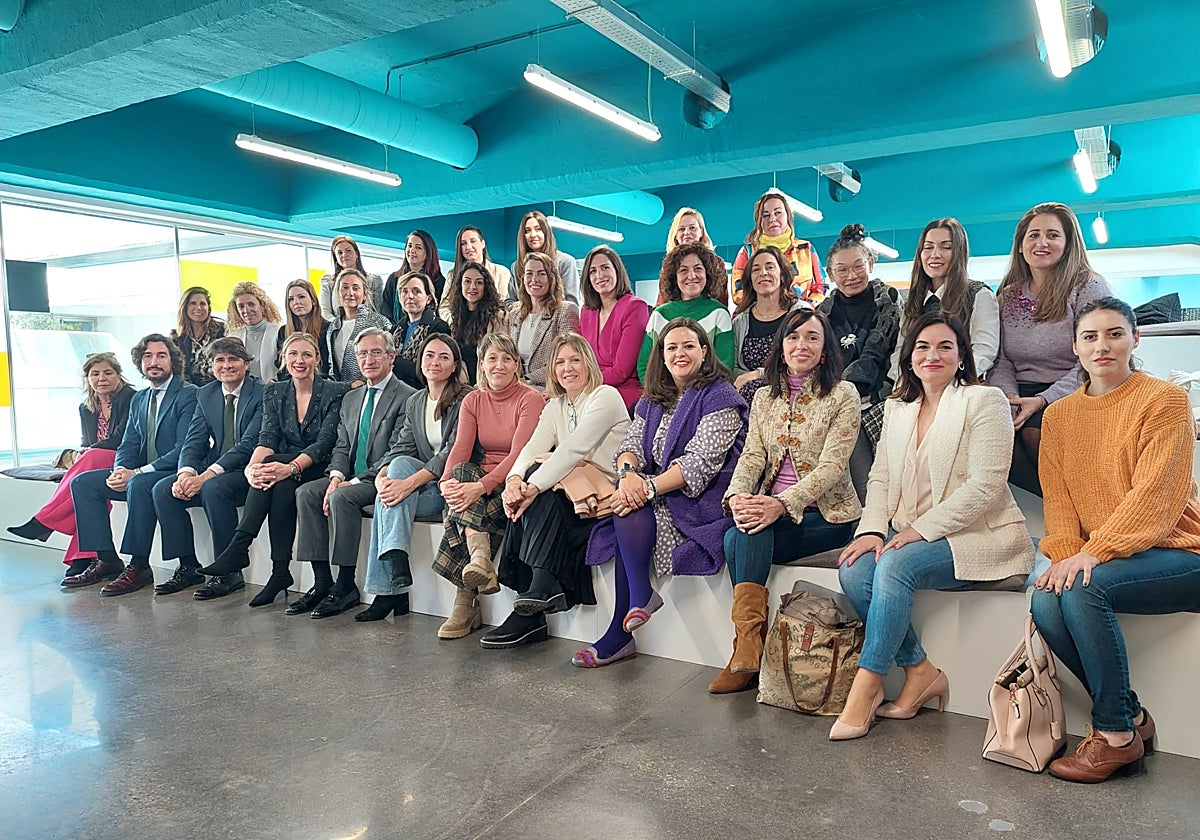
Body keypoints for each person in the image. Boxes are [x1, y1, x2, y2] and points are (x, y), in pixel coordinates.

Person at [833, 312, 1033, 741]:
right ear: (908, 358)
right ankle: (920, 670)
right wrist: (871, 530)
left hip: (978, 536)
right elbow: (881, 477)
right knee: (853, 568)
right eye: (922, 346)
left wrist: (920, 531)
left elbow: (987, 485)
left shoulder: (985, 400)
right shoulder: (897, 408)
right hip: (910, 533)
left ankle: (866, 687)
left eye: (945, 346)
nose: (933, 355)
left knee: (895, 566)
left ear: (962, 356)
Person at [1031, 296, 1200, 783]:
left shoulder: (1164, 401)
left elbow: (1156, 501)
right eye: (1090, 337)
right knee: (1044, 600)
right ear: (1075, 348)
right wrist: (1065, 556)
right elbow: (1058, 505)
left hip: (1180, 551)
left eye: (1114, 334)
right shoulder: (1060, 417)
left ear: (1135, 338)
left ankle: (1115, 737)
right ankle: (1132, 718)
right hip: (1104, 556)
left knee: (1084, 587)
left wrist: (1091, 554)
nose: (1102, 345)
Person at [574, 318, 746, 668]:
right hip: (659, 494)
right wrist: (627, 475)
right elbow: (630, 445)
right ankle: (638, 601)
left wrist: (644, 486)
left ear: (704, 351)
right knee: (628, 502)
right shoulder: (653, 401)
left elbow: (700, 463)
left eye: (688, 346)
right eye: (671, 347)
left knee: (628, 506)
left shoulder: (721, 396)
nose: (680, 353)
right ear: (662, 357)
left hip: (702, 502)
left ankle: (624, 625)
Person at [712, 309, 863, 693]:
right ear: (781, 347)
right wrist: (737, 497)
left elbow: (832, 466)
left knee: (742, 535)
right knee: (742, 530)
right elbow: (752, 457)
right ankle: (748, 646)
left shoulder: (843, 394)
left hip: (826, 516)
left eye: (812, 338)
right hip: (771, 512)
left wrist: (780, 504)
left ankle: (745, 651)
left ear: (825, 349)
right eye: (793, 337)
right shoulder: (764, 397)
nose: (802, 345)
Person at [490, 335, 631, 648]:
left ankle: (535, 592)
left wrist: (531, 487)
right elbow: (532, 448)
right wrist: (514, 483)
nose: (567, 368)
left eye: (575, 360)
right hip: (573, 489)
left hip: (602, 495)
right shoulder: (556, 405)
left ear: (588, 363)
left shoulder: (605, 396)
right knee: (532, 479)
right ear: (551, 370)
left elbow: (572, 450)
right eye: (560, 362)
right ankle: (534, 596)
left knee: (544, 488)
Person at [198, 333, 349, 607]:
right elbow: (267, 437)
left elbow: (326, 444)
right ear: (283, 358)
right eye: (292, 354)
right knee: (272, 478)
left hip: (318, 465)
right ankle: (278, 572)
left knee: (278, 477)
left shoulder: (335, 391)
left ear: (317, 359)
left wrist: (289, 467)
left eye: (306, 355)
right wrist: (251, 469)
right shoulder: (275, 391)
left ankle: (242, 549)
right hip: (283, 466)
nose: (299, 360)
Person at [990, 203, 1111, 496]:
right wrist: (1009, 399)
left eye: (1053, 235)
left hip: (1075, 388)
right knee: (994, 441)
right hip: (1019, 391)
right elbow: (1001, 357)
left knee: (1035, 433)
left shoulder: (1088, 287)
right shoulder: (1008, 294)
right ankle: (1062, 508)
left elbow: (1093, 358)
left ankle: (1082, 509)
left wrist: (1043, 400)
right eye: (1033, 235)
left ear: (1068, 243)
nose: (1041, 243)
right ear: (1020, 245)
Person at [64, 335, 199, 594]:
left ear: (173, 360)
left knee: (138, 483)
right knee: (83, 483)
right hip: (140, 472)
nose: (154, 362)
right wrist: (120, 469)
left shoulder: (188, 394)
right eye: (147, 356)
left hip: (173, 469)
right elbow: (128, 443)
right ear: (140, 362)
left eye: (161, 355)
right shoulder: (140, 398)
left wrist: (138, 471)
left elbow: (184, 447)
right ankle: (106, 559)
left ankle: (139, 565)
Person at [293, 329, 413, 618]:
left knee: (342, 498)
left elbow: (397, 450)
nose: (368, 359)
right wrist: (335, 477)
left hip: (381, 478)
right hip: (349, 475)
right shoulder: (351, 397)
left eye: (376, 352)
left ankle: (346, 584)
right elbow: (342, 445)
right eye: (362, 353)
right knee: (307, 492)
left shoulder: (408, 396)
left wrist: (352, 482)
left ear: (391, 356)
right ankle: (322, 581)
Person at [432, 333, 543, 640]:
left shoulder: (529, 399)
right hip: (477, 482)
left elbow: (520, 454)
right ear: (481, 364)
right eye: (492, 358)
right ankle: (480, 562)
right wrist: (447, 482)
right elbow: (460, 449)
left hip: (513, 479)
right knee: (460, 478)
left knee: (465, 500)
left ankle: (465, 602)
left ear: (517, 365)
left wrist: (479, 487)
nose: (499, 365)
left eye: (506, 359)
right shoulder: (473, 399)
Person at [359, 333, 469, 621]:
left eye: (444, 357)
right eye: (429, 355)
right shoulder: (416, 401)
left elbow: (451, 452)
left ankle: (388, 593)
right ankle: (395, 564)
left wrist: (406, 484)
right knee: (393, 479)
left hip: (448, 486)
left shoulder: (466, 398)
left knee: (389, 500)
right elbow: (402, 447)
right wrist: (383, 475)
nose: (435, 362)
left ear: (455, 365)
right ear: (420, 361)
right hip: (422, 487)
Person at [151, 337, 264, 600]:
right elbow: (194, 439)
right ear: (212, 366)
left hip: (249, 469)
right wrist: (186, 473)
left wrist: (208, 474)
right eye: (220, 360)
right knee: (163, 490)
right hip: (216, 467)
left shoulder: (262, 392)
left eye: (233, 359)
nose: (226, 365)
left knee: (214, 488)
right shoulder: (206, 393)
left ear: (247, 364)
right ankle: (188, 565)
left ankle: (229, 572)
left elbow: (250, 444)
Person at [7, 352, 135, 578]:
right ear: (87, 378)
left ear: (119, 375)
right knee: (85, 487)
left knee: (91, 458)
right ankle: (83, 556)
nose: (101, 378)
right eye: (95, 374)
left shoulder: (130, 398)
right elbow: (86, 442)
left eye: (108, 372)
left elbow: (121, 438)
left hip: (126, 458)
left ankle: (43, 521)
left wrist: (87, 451)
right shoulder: (86, 407)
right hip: (98, 460)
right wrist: (82, 453)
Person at [817, 224, 902, 502]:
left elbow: (884, 357)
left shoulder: (889, 302)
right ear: (830, 274)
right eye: (842, 270)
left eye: (858, 266)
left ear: (871, 263)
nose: (851, 276)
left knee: (887, 480)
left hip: (882, 400)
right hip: (836, 406)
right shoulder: (821, 315)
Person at [889, 218, 999, 381]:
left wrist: (951, 383)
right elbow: (901, 352)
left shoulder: (979, 295)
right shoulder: (912, 301)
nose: (935, 254)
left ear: (959, 253)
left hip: (961, 388)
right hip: (914, 390)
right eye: (928, 247)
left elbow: (984, 351)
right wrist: (903, 386)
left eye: (946, 247)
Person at [638, 243, 734, 381]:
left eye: (698, 269)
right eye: (683, 270)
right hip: (664, 397)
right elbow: (644, 367)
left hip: (707, 397)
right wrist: (665, 396)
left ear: (707, 273)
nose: (691, 276)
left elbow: (723, 367)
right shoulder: (658, 315)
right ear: (674, 277)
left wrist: (692, 398)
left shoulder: (719, 313)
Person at [578, 245, 649, 410]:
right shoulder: (587, 311)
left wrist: (582, 381)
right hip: (589, 389)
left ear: (617, 271)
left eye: (605, 268)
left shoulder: (635, 307)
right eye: (593, 271)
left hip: (621, 393)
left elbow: (621, 371)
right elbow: (579, 357)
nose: (599, 275)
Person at [731, 190, 825, 308]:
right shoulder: (748, 252)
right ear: (759, 221)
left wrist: (806, 309)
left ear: (788, 216)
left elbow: (821, 286)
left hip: (801, 317)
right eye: (766, 215)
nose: (772, 219)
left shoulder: (806, 249)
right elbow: (739, 292)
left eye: (778, 213)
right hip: (760, 317)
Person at [732, 246, 801, 403]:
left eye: (770, 267)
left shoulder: (800, 314)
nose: (763, 273)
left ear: (782, 275)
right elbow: (734, 369)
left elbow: (806, 362)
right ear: (750, 279)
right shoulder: (739, 322)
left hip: (794, 395)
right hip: (749, 400)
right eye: (756, 269)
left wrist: (760, 374)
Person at [507, 251, 581, 390]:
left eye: (541, 273)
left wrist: (527, 380)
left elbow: (564, 360)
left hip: (550, 387)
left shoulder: (566, 311)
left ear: (551, 278)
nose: (534, 279)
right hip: (515, 385)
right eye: (529, 273)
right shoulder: (515, 313)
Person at [325, 268, 392, 384]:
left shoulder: (379, 322)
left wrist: (364, 381)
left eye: (355, 288)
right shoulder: (333, 327)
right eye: (345, 287)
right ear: (337, 292)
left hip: (371, 387)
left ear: (364, 295)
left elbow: (390, 359)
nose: (350, 293)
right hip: (341, 391)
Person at [447, 260, 508, 385]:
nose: (472, 287)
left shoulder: (497, 318)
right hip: (461, 385)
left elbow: (502, 356)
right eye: (467, 281)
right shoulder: (457, 316)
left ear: (486, 287)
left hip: (486, 385)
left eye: (479, 282)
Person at [390, 270, 451, 388]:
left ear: (428, 298)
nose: (410, 296)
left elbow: (426, 370)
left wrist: (392, 361)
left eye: (416, 291)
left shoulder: (439, 328)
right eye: (404, 291)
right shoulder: (394, 330)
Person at [511, 210, 581, 305]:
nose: (532, 235)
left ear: (546, 232)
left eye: (538, 229)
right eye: (527, 231)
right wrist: (527, 311)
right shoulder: (516, 266)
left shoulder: (565, 262)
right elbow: (509, 302)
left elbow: (571, 304)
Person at [656, 207, 716, 307]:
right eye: (682, 229)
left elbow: (721, 298)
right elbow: (663, 300)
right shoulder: (668, 266)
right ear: (675, 235)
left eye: (692, 228)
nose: (687, 233)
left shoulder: (717, 263)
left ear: (701, 232)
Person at [226, 281, 284, 384]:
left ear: (261, 306)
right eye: (241, 306)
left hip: (275, 390)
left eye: (251, 304)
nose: (246, 310)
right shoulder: (233, 337)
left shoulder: (279, 332)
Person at [381, 230, 445, 320]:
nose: (412, 250)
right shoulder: (394, 279)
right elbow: (385, 310)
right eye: (409, 246)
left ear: (428, 252)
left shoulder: (438, 281)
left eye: (418, 247)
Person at [318, 235, 384, 319]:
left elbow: (379, 310)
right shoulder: (328, 282)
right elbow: (325, 312)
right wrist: (342, 326)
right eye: (339, 253)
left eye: (348, 250)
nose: (344, 255)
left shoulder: (374, 280)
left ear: (356, 254)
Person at [170, 286, 225, 386]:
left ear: (208, 307)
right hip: (188, 390)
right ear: (185, 307)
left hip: (218, 387)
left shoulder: (222, 331)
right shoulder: (176, 337)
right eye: (193, 303)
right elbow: (177, 370)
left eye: (203, 304)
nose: (198, 308)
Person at [450, 225, 513, 310]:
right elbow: (444, 307)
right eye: (463, 243)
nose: (468, 247)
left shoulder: (502, 272)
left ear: (483, 243)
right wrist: (456, 321)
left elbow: (504, 304)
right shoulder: (452, 275)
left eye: (473, 241)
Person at [278, 279, 331, 379]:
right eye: (291, 299)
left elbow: (329, 366)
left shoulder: (328, 328)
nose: (296, 302)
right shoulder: (283, 331)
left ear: (313, 301)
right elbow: (282, 366)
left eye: (301, 297)